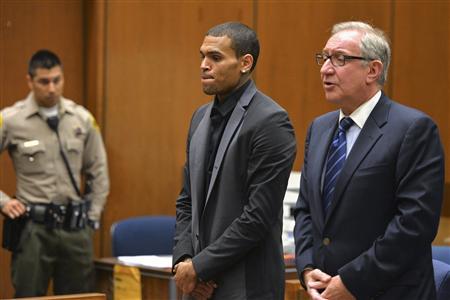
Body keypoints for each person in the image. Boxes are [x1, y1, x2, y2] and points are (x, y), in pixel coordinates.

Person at [293, 21, 445, 300]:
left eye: (339, 59)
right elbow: (305, 209)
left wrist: (352, 281)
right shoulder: (319, 128)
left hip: (388, 292)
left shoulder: (414, 128)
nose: (325, 69)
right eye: (324, 58)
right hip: (324, 290)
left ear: (372, 70)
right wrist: (307, 267)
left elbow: (414, 224)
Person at [172, 22, 297, 299]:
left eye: (215, 57)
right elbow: (186, 200)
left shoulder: (271, 121)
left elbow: (257, 216)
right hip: (198, 286)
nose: (204, 65)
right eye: (202, 56)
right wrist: (184, 260)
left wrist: (201, 267)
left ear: (245, 63)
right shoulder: (199, 118)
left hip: (246, 286)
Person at [0, 49, 109, 297]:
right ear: (30, 81)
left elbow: (99, 171)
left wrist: (91, 217)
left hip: (75, 231)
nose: (51, 88)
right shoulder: (11, 120)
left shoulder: (81, 118)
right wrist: (4, 202)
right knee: (29, 296)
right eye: (44, 81)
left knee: (80, 297)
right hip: (33, 231)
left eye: (57, 80)